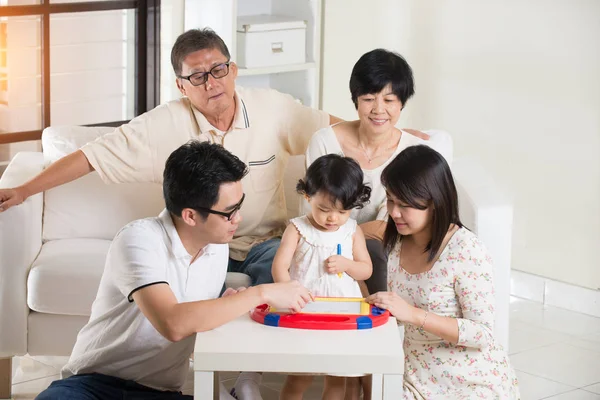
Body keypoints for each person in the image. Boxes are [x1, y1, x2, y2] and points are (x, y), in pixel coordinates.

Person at [1, 28, 339, 398]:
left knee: (289, 267)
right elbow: (92, 156)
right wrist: (23, 190)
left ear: (234, 70)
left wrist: (401, 137)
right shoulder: (141, 237)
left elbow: (336, 131)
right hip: (93, 386)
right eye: (198, 76)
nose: (212, 83)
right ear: (182, 86)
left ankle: (251, 378)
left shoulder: (212, 254)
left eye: (219, 70)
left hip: (257, 245)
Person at [35, 141, 314, 400]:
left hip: (162, 392)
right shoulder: (138, 240)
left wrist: (225, 305)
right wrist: (260, 292)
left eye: (240, 206)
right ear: (190, 215)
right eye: (229, 212)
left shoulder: (216, 247)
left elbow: (195, 317)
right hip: (93, 386)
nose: (238, 219)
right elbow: (173, 323)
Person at [366, 145, 520, 399]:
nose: (394, 212)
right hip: (417, 377)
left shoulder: (466, 249)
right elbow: (401, 313)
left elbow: (482, 333)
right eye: (391, 200)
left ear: (435, 203)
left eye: (404, 204)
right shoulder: (397, 242)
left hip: (470, 382)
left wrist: (413, 315)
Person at [305, 49, 452, 297]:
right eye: (369, 98)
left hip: (389, 251)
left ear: (402, 102)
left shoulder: (413, 152)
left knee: (378, 252)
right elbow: (316, 208)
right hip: (328, 245)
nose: (378, 109)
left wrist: (358, 235)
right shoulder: (325, 142)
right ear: (356, 99)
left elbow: (398, 226)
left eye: (389, 100)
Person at [271, 154, 373, 400]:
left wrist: (348, 264)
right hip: (305, 311)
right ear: (307, 196)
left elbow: (366, 269)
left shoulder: (352, 230)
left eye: (342, 211)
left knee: (337, 378)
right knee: (299, 377)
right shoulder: (297, 229)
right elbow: (278, 268)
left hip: (342, 313)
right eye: (324, 209)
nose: (333, 218)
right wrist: (290, 291)